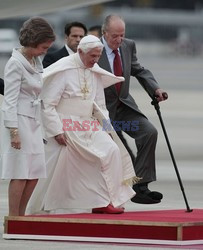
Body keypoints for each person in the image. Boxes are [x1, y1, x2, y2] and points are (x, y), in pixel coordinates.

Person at [27, 35, 138, 215]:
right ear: (80, 51)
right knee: (87, 158)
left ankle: (105, 201)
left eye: (98, 56)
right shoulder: (64, 69)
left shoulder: (94, 70)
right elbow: (48, 104)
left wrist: (106, 128)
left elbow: (100, 105)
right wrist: (56, 131)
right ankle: (51, 206)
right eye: (92, 56)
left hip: (88, 123)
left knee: (112, 150)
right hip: (65, 123)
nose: (95, 60)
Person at [98, 14, 168, 204]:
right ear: (104, 33)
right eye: (114, 36)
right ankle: (115, 190)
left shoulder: (128, 46)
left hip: (124, 106)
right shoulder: (93, 48)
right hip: (102, 111)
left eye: (122, 35)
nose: (119, 40)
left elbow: (138, 70)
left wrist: (155, 88)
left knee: (148, 132)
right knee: (119, 151)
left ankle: (139, 185)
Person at [0, 17, 56, 216]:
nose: (45, 51)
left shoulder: (35, 60)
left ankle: (21, 218)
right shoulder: (15, 63)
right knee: (21, 173)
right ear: (32, 42)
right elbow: (9, 100)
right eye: (43, 47)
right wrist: (13, 131)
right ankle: (13, 218)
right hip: (19, 123)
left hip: (34, 121)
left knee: (34, 174)